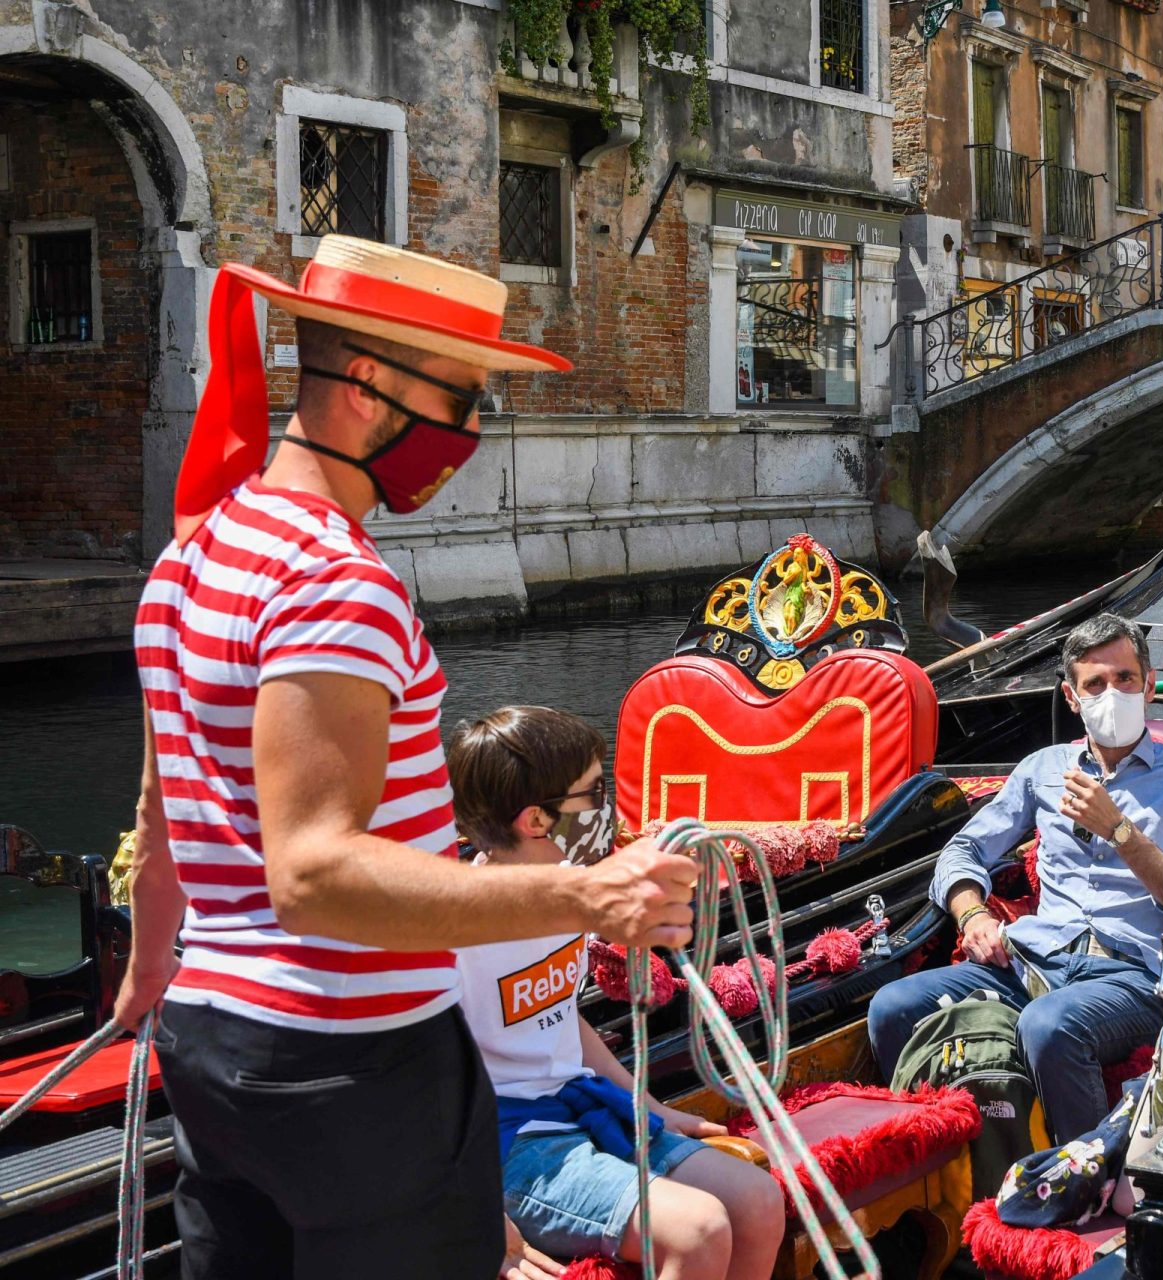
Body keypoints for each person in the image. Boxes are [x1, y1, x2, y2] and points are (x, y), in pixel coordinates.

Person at [116, 235, 703, 1277]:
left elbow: (167, 809)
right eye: (463, 397)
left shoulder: (191, 555)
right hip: (355, 1064)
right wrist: (590, 897)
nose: (470, 429)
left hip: (211, 1043)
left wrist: (146, 973)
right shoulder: (334, 579)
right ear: (371, 382)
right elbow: (315, 870)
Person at [447, 707, 785, 1280]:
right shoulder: (457, 931)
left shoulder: (569, 893)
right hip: (506, 1143)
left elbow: (560, 1019)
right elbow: (428, 1081)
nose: (608, 807)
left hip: (581, 1106)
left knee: (758, 1202)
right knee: (698, 1231)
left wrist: (646, 1104)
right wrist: (475, 1209)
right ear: (537, 820)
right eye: (593, 792)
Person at [866, 613, 1163, 1142]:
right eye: (1095, 684)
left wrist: (1120, 831)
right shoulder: (1042, 768)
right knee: (891, 1007)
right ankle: (944, 1158)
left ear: (1149, 684)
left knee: (1049, 1024)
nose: (1113, 693)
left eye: (1125, 679)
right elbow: (963, 849)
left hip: (1132, 976)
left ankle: (1086, 1179)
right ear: (1072, 697)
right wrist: (972, 914)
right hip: (1033, 959)